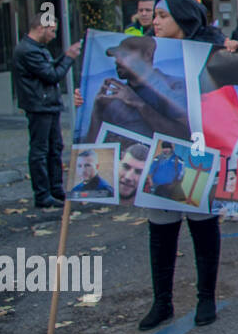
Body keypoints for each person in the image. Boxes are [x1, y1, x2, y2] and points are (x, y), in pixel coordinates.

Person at [133, 0, 226, 330]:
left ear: (183, 20)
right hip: (161, 150)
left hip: (199, 148)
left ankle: (206, 298)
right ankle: (162, 302)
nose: (154, 21)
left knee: (202, 223)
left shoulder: (212, 53)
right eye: (153, 15)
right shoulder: (147, 54)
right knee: (160, 227)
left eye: (161, 15)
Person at [15, 17, 82, 208]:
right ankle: (43, 194)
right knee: (41, 150)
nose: (54, 35)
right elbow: (52, 75)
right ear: (40, 28)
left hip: (46, 104)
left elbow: (50, 69)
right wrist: (69, 57)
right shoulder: (28, 50)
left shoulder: (36, 48)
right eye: (52, 31)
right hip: (39, 106)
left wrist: (65, 56)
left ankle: (55, 189)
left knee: (55, 148)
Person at [84, 34, 191, 143]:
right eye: (116, 57)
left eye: (124, 55)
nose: (116, 61)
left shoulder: (173, 85)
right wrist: (97, 110)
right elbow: (91, 149)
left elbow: (184, 136)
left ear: (147, 55)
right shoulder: (115, 96)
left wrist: (139, 104)